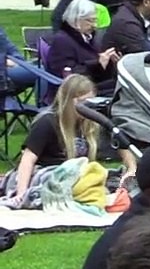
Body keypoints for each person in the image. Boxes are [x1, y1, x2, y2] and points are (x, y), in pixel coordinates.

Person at [1, 75, 135, 209]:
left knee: (116, 177)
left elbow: (119, 139)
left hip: (81, 175)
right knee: (78, 182)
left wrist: (131, 168)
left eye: (90, 102)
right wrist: (21, 194)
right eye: (82, 102)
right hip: (53, 175)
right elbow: (28, 158)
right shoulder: (48, 121)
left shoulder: (92, 122)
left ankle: (94, 192)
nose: (87, 107)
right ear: (68, 100)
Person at [46, 0, 118, 98]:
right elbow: (68, 75)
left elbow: (98, 72)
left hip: (91, 86)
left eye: (95, 20)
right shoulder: (62, 41)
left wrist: (109, 62)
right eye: (90, 21)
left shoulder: (89, 37)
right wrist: (98, 64)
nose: (94, 25)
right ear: (76, 20)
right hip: (72, 94)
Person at [0, 25, 40, 95]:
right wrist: (5, 62)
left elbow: (17, 56)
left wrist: (12, 62)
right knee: (45, 73)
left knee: (46, 70)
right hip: (4, 72)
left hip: (11, 68)